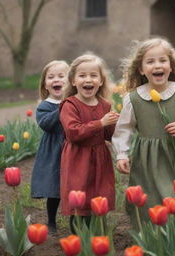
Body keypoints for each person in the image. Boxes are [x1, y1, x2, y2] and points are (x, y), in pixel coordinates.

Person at [112, 37, 175, 226]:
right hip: (149, 159)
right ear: (141, 69)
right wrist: (122, 154)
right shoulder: (134, 99)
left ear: (171, 66)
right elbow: (124, 128)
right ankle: (152, 235)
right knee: (150, 197)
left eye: (162, 60)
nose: (157, 65)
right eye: (150, 62)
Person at [59, 53, 119, 232]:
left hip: (100, 158)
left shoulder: (104, 105)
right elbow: (73, 132)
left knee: (99, 195)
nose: (88, 79)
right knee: (80, 198)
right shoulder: (69, 105)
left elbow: (109, 134)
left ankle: (97, 236)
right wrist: (100, 123)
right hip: (78, 159)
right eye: (82, 75)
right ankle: (79, 240)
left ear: (101, 81)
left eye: (93, 75)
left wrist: (118, 124)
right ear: (73, 81)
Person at [31, 60, 69, 234]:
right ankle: (51, 221)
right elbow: (46, 124)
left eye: (62, 76)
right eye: (51, 77)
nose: (56, 80)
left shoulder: (76, 102)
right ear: (45, 84)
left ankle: (78, 220)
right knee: (55, 188)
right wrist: (61, 108)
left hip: (73, 149)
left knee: (76, 185)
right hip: (54, 150)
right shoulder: (45, 105)